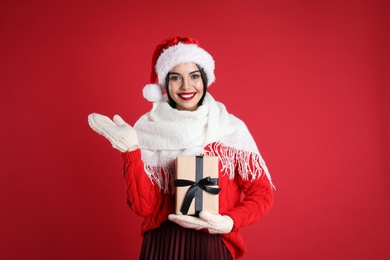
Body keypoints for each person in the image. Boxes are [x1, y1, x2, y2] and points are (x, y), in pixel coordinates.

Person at [88, 36, 275, 260]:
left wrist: (230, 221)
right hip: (163, 243)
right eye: (176, 78)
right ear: (165, 83)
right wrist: (131, 151)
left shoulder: (231, 129)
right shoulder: (147, 129)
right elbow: (144, 208)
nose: (186, 86)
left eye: (194, 76)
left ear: (205, 79)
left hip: (213, 241)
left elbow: (262, 193)